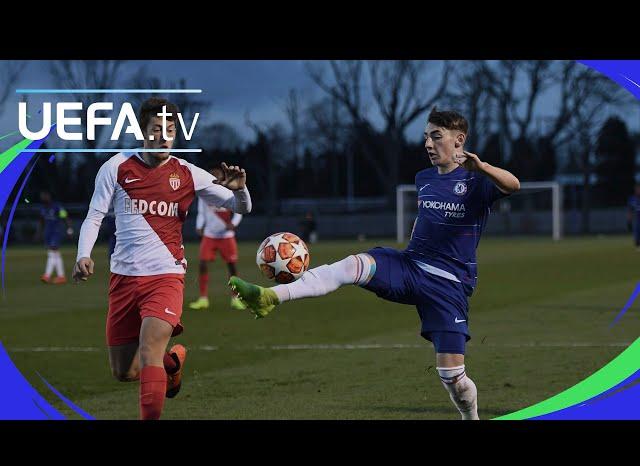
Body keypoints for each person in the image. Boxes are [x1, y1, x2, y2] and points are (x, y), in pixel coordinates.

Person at [229, 108, 519, 420]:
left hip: (448, 285)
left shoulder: (477, 183)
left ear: (459, 140)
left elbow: (513, 185)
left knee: (453, 379)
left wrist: (482, 166)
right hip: (409, 266)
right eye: (426, 138)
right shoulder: (425, 178)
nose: (428, 144)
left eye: (436, 137)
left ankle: (470, 417)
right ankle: (270, 296)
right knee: (351, 266)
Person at [72, 97, 252, 420]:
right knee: (123, 371)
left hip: (166, 278)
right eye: (157, 129)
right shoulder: (115, 167)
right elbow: (94, 215)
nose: (164, 136)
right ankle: (173, 363)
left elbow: (241, 207)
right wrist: (83, 254)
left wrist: (240, 190)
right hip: (123, 280)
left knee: (149, 349)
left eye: (170, 130)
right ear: (142, 131)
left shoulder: (187, 172)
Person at [189, 165, 245, 311]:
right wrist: (199, 225)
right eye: (212, 176)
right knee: (202, 265)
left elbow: (239, 209)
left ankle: (235, 298)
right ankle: (203, 299)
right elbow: (201, 212)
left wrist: (233, 223)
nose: (214, 179)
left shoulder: (228, 192)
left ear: (222, 178)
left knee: (232, 267)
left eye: (217, 176)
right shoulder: (204, 193)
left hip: (227, 236)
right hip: (209, 235)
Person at [38, 191, 74, 284]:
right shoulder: (43, 208)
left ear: (49, 196)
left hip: (56, 232)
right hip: (48, 232)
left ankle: (47, 275)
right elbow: (41, 221)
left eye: (45, 195)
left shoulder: (57, 206)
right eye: (43, 196)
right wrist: (39, 232)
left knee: (52, 251)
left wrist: (69, 228)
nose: (44, 197)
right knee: (55, 253)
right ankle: (61, 276)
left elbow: (65, 217)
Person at [627, 183, 640, 249]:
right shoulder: (632, 199)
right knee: (637, 232)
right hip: (637, 219)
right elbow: (630, 210)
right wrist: (629, 220)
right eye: (637, 189)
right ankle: (637, 246)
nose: (638, 190)